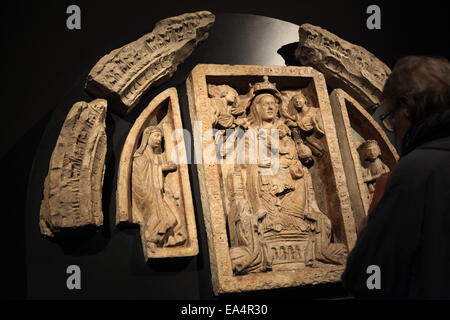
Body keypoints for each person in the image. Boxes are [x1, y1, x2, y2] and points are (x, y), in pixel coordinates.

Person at [342, 56, 450, 298]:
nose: (393, 127)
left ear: (407, 108)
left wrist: (377, 213)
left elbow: (367, 278)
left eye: (391, 118)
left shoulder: (416, 170)